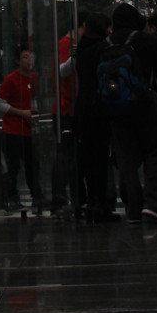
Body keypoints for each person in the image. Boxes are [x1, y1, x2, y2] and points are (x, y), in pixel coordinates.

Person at [105, 3, 157, 224]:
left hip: (117, 109)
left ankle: (132, 208)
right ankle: (153, 204)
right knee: (156, 151)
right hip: (146, 103)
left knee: (126, 159)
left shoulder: (106, 44)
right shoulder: (143, 40)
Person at [73, 11, 116, 222]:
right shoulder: (103, 48)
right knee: (101, 157)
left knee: (90, 158)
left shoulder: (82, 48)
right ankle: (101, 202)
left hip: (83, 106)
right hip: (100, 105)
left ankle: (92, 201)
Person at [0, 45, 43, 214]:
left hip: (29, 129)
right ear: (17, 61)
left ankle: (36, 196)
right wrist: (21, 113)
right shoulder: (11, 80)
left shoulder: (35, 79)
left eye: (31, 56)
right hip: (13, 129)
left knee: (32, 164)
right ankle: (12, 198)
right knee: (13, 166)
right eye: (25, 57)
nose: (29, 60)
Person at [51, 11, 87, 216]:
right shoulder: (67, 44)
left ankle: (76, 197)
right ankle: (60, 197)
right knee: (65, 155)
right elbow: (63, 71)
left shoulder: (70, 45)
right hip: (66, 108)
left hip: (71, 107)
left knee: (72, 156)